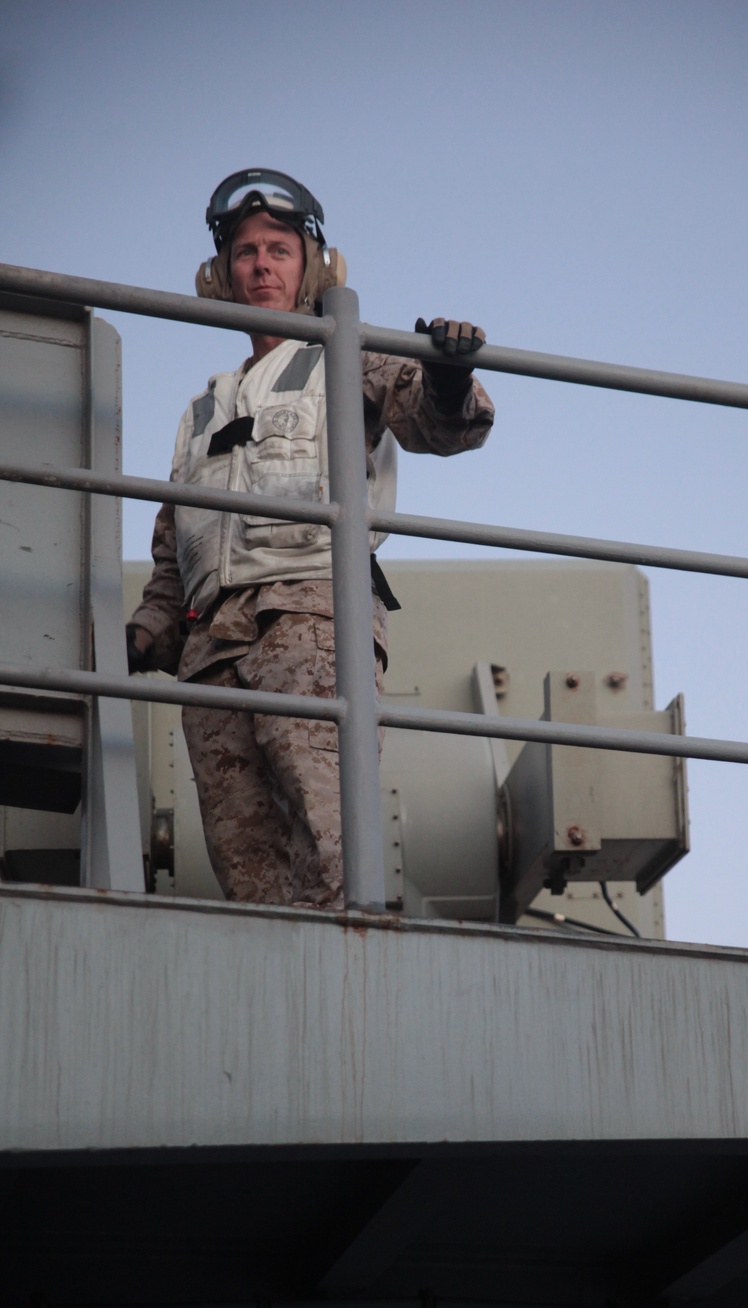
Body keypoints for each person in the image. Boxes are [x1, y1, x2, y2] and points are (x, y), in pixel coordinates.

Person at [127, 168, 494, 908]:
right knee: (247, 870)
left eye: (279, 250)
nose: (261, 264)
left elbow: (437, 422)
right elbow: (174, 550)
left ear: (312, 267)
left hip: (308, 621)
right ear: (224, 273)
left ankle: (345, 997)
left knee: (330, 844)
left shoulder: (345, 355)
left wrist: (450, 374)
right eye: (246, 252)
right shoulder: (202, 410)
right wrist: (139, 634)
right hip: (210, 655)